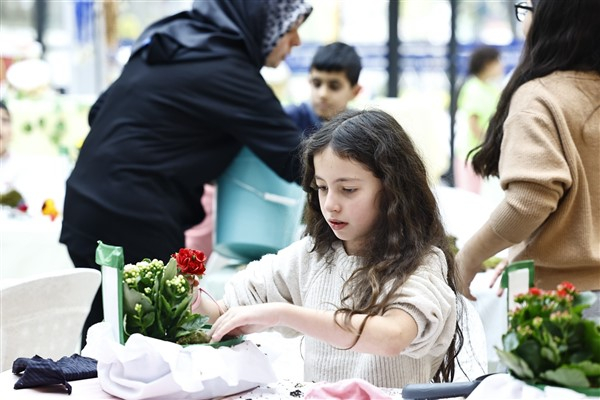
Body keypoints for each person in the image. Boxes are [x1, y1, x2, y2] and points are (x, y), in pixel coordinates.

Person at [60, 0, 313, 345]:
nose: (296, 41)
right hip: (135, 216)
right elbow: (296, 158)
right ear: (261, 21)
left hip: (84, 207)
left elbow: (99, 111)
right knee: (148, 345)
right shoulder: (227, 69)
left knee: (105, 335)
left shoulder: (171, 38)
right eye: (290, 28)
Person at [194, 109, 463, 387]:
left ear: (392, 189)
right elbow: (223, 313)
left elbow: (392, 336)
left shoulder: (421, 262)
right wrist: (188, 295)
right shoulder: (312, 255)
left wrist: (282, 313)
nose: (331, 204)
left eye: (348, 189)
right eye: (321, 188)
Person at [457, 0, 600, 318]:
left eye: (526, 7)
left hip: (559, 303)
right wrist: (528, 248)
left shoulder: (540, 96)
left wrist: (467, 259)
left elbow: (530, 202)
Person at [454, 45, 503, 194]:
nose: (501, 65)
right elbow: (473, 122)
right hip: (470, 155)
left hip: (482, 154)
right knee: (471, 199)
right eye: (498, 61)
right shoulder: (472, 87)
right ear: (487, 64)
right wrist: (489, 143)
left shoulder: (491, 89)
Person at [285, 41, 362, 135]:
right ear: (309, 81)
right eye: (317, 84)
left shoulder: (360, 129)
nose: (323, 94)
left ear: (355, 92)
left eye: (334, 86)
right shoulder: (288, 119)